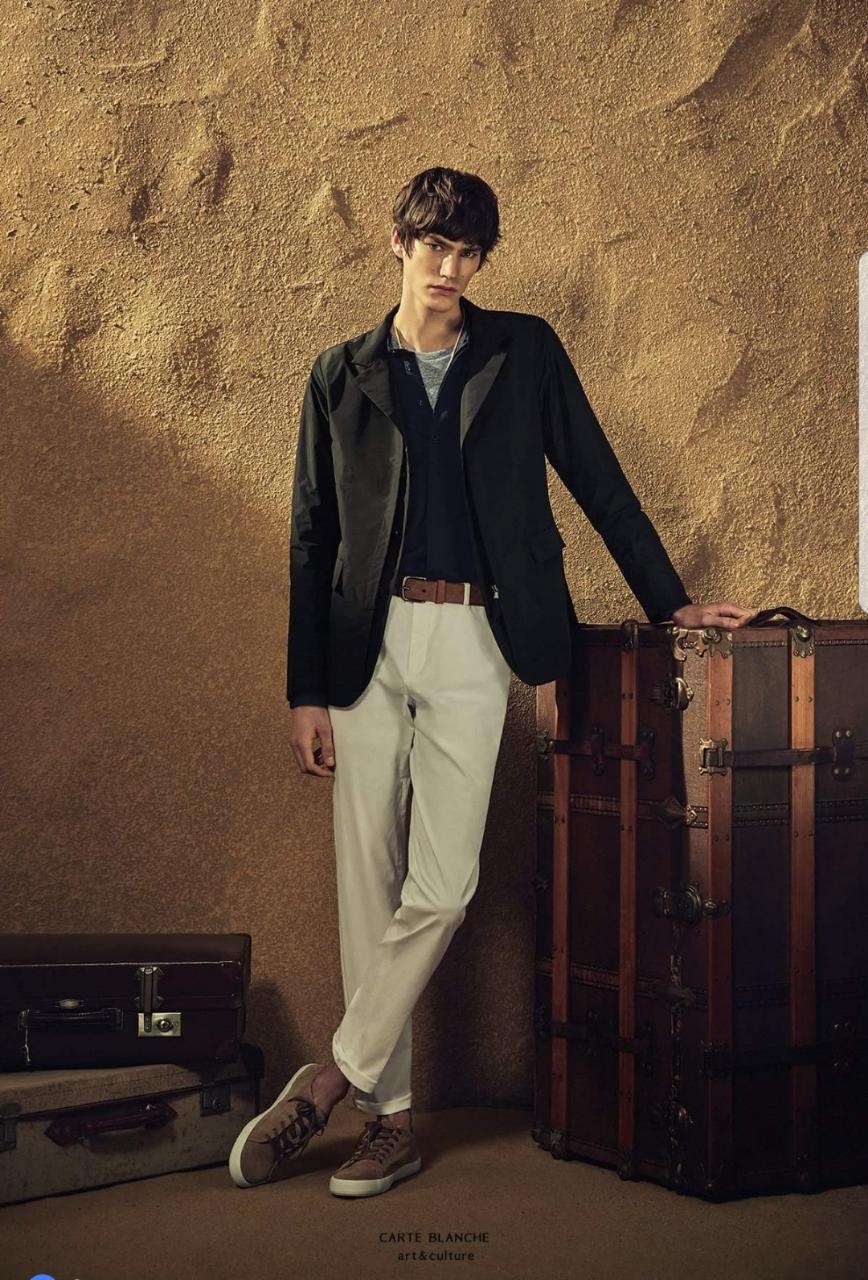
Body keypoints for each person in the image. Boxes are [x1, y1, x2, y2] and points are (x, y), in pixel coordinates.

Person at [228, 166, 756, 1198]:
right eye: (434, 245)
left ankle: (329, 1078)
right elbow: (309, 539)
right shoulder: (338, 374)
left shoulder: (525, 351)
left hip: (476, 637)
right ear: (398, 242)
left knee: (443, 886)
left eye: (468, 253)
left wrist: (672, 602)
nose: (450, 268)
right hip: (364, 649)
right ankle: (390, 1120)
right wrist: (304, 690)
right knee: (366, 883)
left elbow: (596, 475)